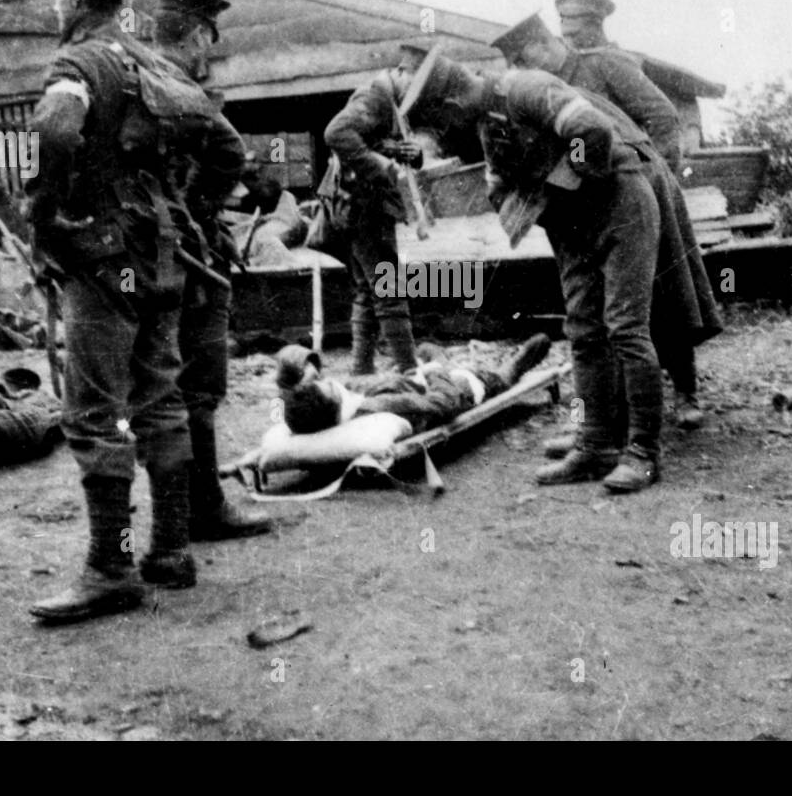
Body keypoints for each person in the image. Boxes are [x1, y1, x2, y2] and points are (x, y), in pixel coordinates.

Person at [25, 0, 210, 623]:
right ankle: (170, 552)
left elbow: (55, 131)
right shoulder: (145, 61)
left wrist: (43, 213)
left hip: (102, 259)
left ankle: (110, 568)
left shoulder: (77, 62)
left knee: (93, 414)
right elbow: (210, 134)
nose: (53, 2)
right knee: (162, 399)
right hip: (160, 255)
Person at [401, 46, 664, 492]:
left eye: (442, 124)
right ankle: (596, 444)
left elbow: (589, 131)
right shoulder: (489, 125)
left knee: (625, 328)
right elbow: (499, 187)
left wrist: (566, 183)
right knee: (582, 329)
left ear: (451, 104)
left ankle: (642, 453)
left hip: (619, 203)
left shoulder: (526, 88)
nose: (446, 136)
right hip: (573, 223)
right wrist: (522, 202)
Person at [491, 14, 722, 440]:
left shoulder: (604, 65)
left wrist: (660, 177)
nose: (518, 71)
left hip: (637, 180)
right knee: (598, 316)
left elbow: (662, 116)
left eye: (523, 60)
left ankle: (686, 393)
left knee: (666, 292)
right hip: (591, 201)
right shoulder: (536, 89)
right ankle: (604, 419)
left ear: (542, 47)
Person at [147, 0, 273, 540]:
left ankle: (170, 520)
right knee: (197, 385)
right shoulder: (181, 87)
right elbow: (228, 153)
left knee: (152, 387)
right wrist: (195, 210)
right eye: (207, 41)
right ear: (197, 35)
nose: (208, 55)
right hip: (187, 260)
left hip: (129, 257)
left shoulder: (126, 74)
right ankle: (205, 509)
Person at [322, 44, 429, 375]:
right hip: (362, 207)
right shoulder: (376, 95)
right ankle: (410, 370)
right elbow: (336, 133)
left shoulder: (394, 100)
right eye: (414, 83)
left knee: (370, 289)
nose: (417, 94)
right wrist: (385, 165)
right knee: (390, 287)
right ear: (400, 72)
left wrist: (408, 152)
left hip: (365, 207)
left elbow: (372, 140)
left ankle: (361, 369)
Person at [276, 334, 551, 435]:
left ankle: (439, 363)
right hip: (459, 389)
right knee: (494, 377)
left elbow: (350, 384)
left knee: (428, 349)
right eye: (326, 383)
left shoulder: (340, 404)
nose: (331, 380)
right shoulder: (381, 408)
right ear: (333, 399)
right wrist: (434, 372)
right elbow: (444, 403)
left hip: (413, 383)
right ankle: (514, 366)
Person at [554, 0, 683, 171]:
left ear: (596, 25)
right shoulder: (570, 64)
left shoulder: (612, 61)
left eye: (575, 34)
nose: (569, 40)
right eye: (566, 34)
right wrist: (578, 165)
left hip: (620, 171)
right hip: (588, 174)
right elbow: (578, 130)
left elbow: (662, 115)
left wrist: (656, 171)